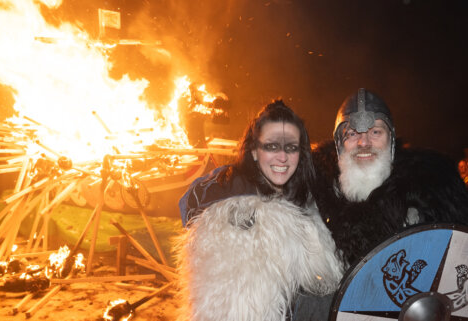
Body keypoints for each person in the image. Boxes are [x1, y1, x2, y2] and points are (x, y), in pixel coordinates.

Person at [176, 100, 344, 321]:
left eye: (291, 147)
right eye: (271, 146)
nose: (282, 157)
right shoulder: (236, 210)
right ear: (254, 151)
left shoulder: (301, 202)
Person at [310, 88, 468, 267]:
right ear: (339, 144)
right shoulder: (317, 204)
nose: (364, 143)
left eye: (375, 132)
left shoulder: (428, 193)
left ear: (391, 140)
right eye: (352, 134)